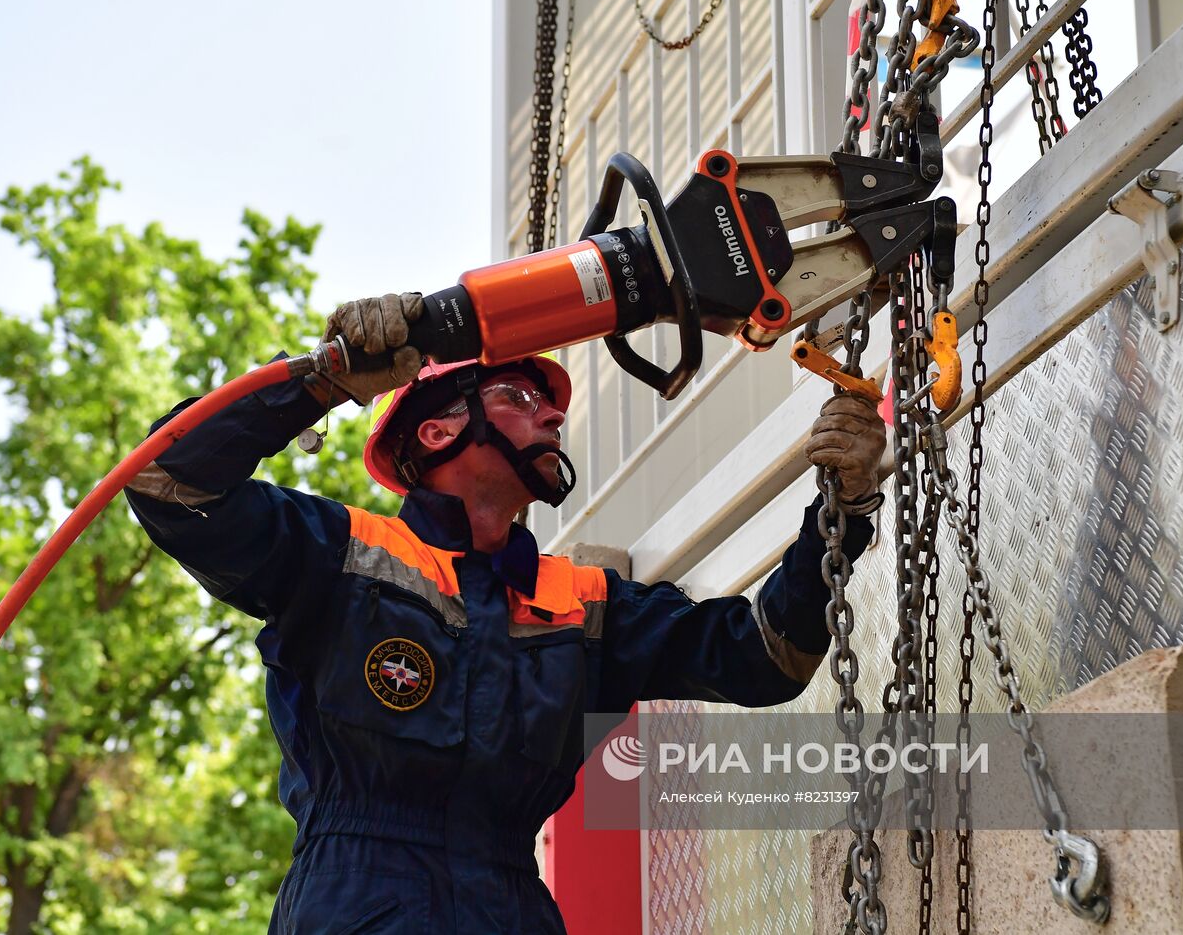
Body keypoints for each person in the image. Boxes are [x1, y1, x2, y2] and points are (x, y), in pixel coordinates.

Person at [125, 291, 886, 934]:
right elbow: (165, 476)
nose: (553, 417)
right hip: (356, 896)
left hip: (511, 904)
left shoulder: (583, 604)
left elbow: (763, 657)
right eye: (519, 399)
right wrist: (322, 381)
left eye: (551, 405)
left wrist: (841, 511)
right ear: (437, 428)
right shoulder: (336, 554)